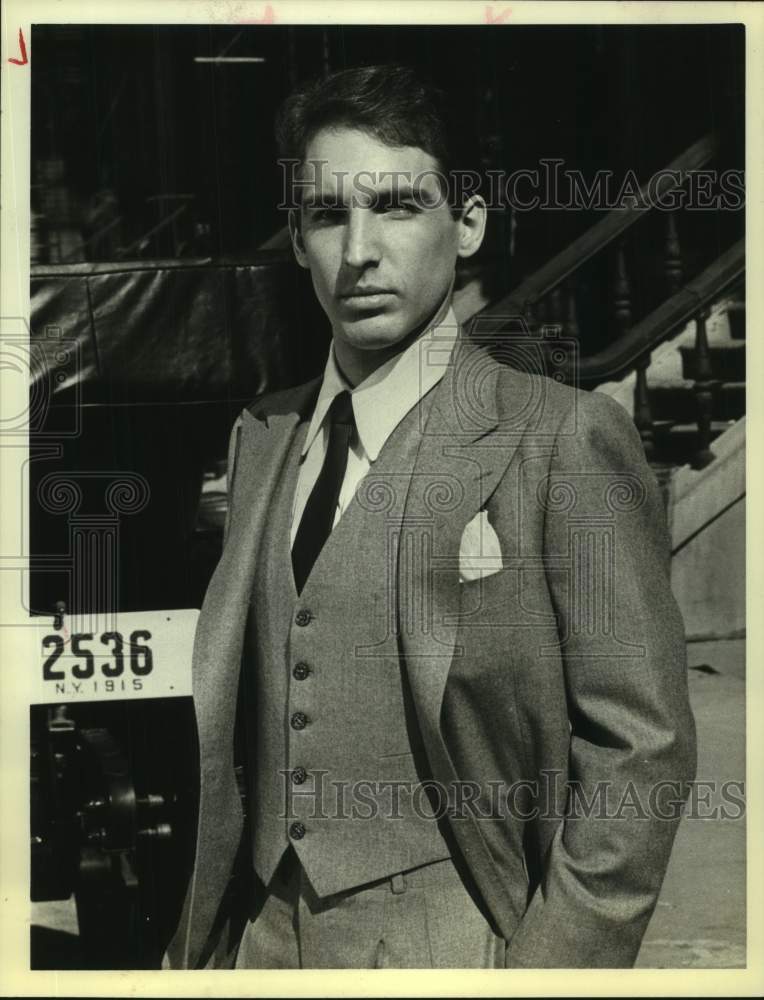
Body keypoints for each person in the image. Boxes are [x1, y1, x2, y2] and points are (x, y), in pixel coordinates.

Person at [164, 64, 696, 970]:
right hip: (259, 943)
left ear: (470, 222)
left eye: (398, 206)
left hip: (452, 943)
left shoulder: (561, 438)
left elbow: (642, 748)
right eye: (327, 215)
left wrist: (550, 973)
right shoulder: (265, 435)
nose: (359, 251)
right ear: (296, 240)